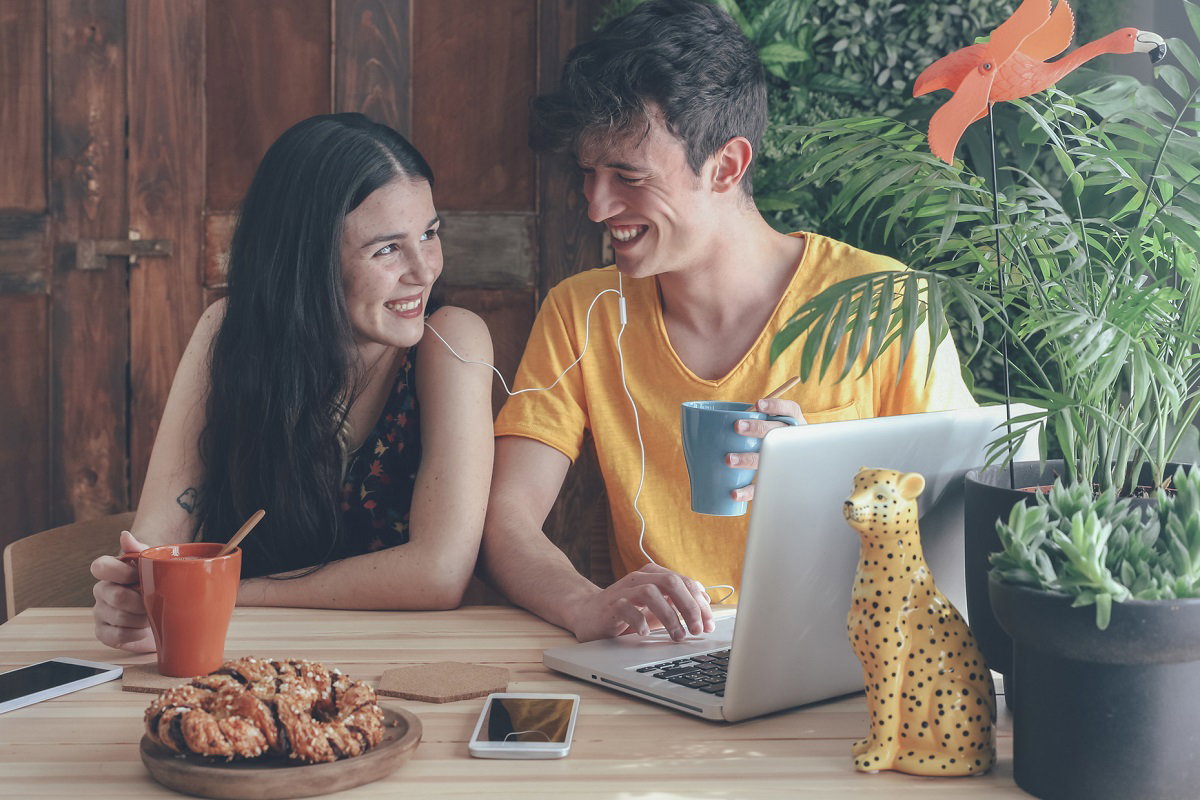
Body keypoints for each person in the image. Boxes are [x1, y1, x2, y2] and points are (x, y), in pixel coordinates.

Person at [483, 0, 976, 644]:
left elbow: (966, 513)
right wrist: (584, 605)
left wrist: (824, 477)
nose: (598, 205)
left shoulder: (881, 301)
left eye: (628, 177)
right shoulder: (583, 312)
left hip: (845, 652)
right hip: (663, 659)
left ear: (727, 166)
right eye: (588, 173)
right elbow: (507, 519)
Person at [91, 113, 495, 652]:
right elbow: (156, 544)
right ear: (309, 260)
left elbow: (439, 574)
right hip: (254, 660)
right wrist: (134, 594)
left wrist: (219, 592)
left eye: (429, 233)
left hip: (415, 656)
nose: (425, 270)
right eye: (387, 249)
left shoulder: (452, 342)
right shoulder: (227, 331)